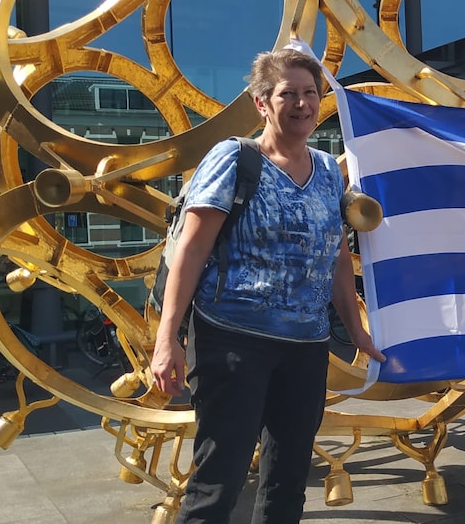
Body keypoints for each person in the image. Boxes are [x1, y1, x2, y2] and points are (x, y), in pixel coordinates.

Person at [151, 47, 385, 524]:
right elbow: (192, 252)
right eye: (287, 94)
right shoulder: (234, 159)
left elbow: (337, 256)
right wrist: (167, 339)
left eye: (310, 94)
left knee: (289, 477)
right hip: (233, 342)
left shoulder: (325, 172)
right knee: (220, 474)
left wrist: (355, 329)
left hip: (305, 347)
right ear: (262, 103)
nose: (301, 104)